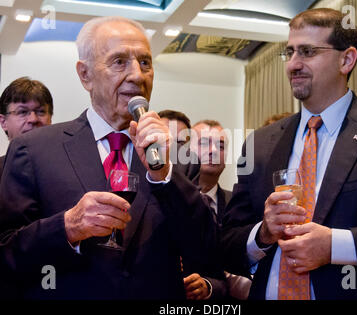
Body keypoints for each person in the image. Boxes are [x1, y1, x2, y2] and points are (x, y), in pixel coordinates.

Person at [0, 16, 219, 299]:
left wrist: (164, 175)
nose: (137, 76)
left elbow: (207, 249)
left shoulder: (177, 159)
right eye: (119, 62)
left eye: (145, 63)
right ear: (85, 74)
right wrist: (67, 227)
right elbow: (6, 253)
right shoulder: (34, 150)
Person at [221, 8, 357, 300]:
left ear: (347, 59)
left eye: (307, 52)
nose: (293, 64)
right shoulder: (260, 143)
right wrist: (264, 233)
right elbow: (227, 244)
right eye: (289, 52)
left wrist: (335, 246)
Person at [188, 120, 252, 300]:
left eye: (221, 145)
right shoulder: (169, 202)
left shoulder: (240, 204)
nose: (214, 151)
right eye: (203, 143)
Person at [0, 77, 53, 176]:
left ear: (50, 118)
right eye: (22, 112)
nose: (33, 119)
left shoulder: (69, 168)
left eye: (41, 111)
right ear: (3, 122)